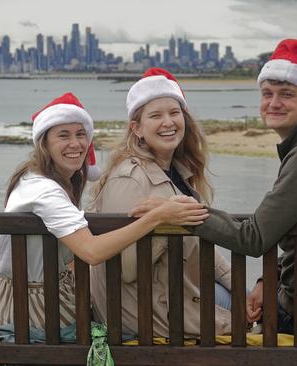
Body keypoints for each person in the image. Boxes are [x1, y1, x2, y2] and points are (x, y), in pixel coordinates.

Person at [132, 40, 297, 333]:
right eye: (267, 94)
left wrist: (178, 212)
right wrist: (270, 279)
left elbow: (252, 237)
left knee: (220, 310)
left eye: (286, 94)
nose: (274, 102)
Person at [0, 92, 209, 331]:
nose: (75, 144)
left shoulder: (34, 179)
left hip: (30, 301)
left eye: (81, 134)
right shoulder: (45, 192)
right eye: (63, 135)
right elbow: (92, 252)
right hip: (37, 313)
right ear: (44, 143)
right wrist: (158, 217)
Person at [89, 68, 233, 339]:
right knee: (265, 316)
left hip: (176, 294)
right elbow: (127, 267)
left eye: (174, 113)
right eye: (155, 115)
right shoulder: (129, 179)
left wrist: (238, 286)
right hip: (144, 313)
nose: (168, 122)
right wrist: (165, 220)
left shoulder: (178, 172)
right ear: (137, 128)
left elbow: (203, 246)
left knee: (251, 300)